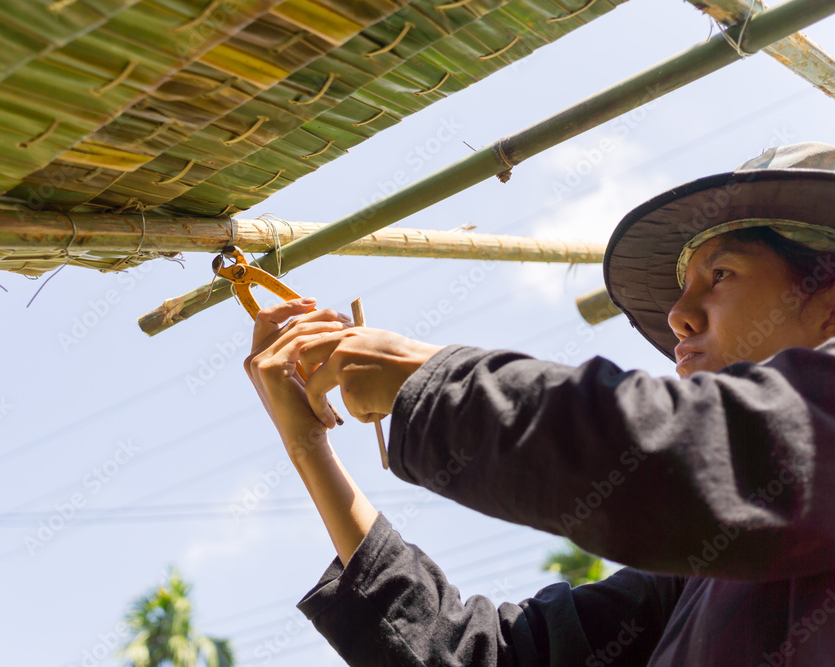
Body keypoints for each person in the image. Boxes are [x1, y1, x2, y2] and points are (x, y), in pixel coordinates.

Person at [243, 142, 835, 666]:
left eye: (722, 273)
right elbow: (487, 655)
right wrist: (309, 448)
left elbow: (682, 452)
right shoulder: (698, 577)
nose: (679, 315)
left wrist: (421, 375)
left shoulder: (743, 475)